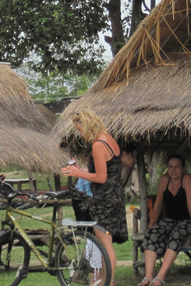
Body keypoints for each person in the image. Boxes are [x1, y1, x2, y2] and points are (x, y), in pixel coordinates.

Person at [61, 110, 128, 286]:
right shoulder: (109, 139)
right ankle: (106, 281)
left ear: (87, 125)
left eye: (79, 129)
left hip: (105, 198)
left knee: (105, 244)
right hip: (114, 194)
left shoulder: (98, 145)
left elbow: (100, 177)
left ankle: (109, 282)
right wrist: (80, 170)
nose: (79, 133)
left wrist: (77, 173)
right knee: (105, 243)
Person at [138, 155, 191, 286]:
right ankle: (148, 276)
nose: (173, 170)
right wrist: (151, 226)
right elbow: (157, 206)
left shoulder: (187, 179)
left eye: (177, 166)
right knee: (152, 235)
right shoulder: (164, 180)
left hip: (188, 220)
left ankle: (160, 278)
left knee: (176, 235)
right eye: (170, 166)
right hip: (170, 219)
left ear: (183, 168)